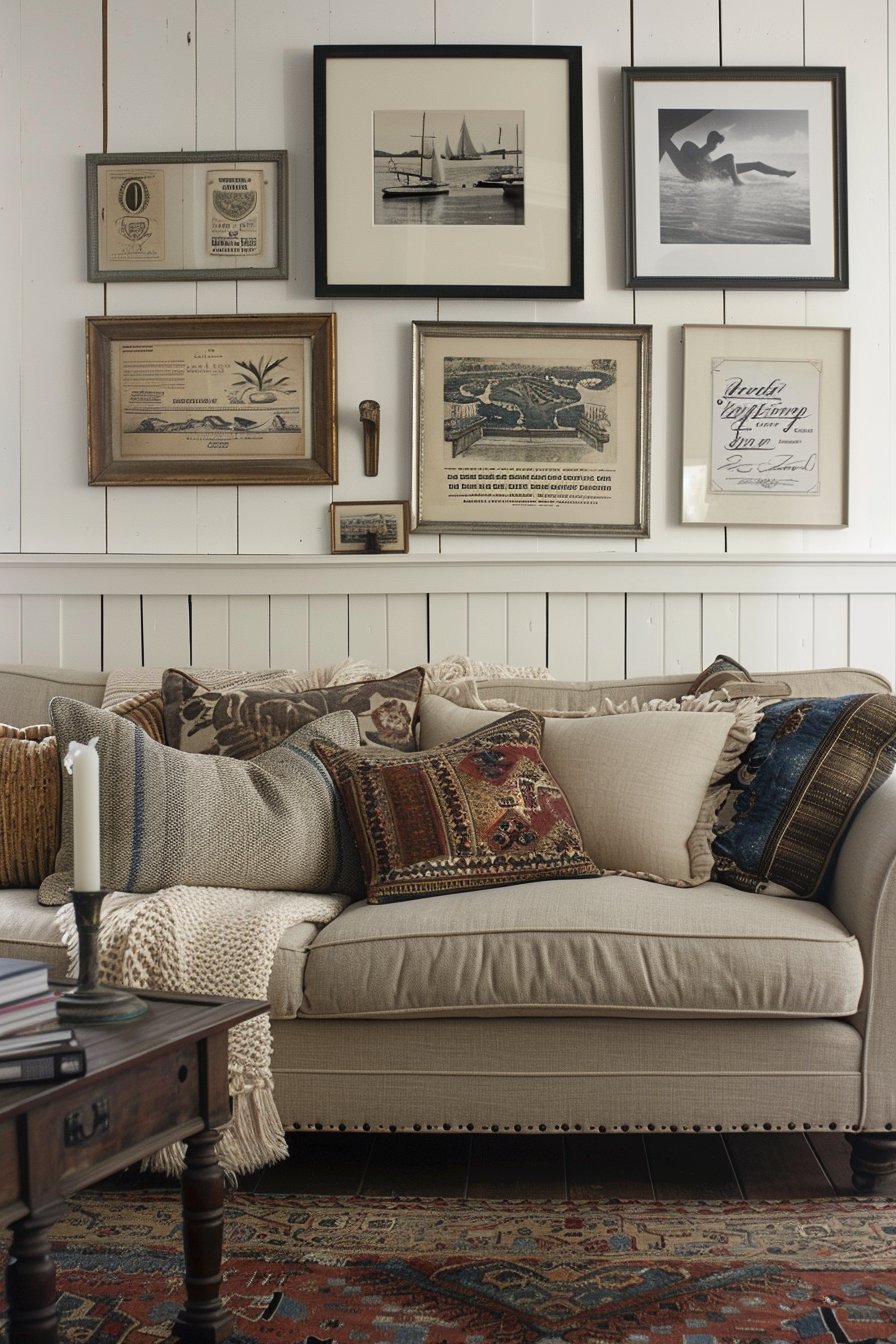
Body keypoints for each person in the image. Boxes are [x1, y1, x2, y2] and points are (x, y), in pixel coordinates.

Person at [663, 130, 795, 186]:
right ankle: (736, 181)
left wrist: (722, 174)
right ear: (708, 142)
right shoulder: (692, 147)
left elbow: (708, 168)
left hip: (706, 171)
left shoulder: (706, 155)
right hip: (692, 170)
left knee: (756, 164)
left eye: (715, 145)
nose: (713, 148)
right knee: (729, 157)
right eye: (712, 144)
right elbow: (698, 162)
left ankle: (784, 173)